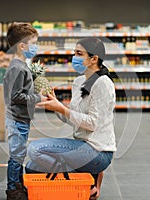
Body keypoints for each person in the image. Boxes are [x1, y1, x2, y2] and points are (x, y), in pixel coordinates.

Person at [25, 38, 117, 200]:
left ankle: (90, 177)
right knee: (32, 168)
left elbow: (92, 123)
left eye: (79, 53)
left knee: (35, 149)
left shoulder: (103, 83)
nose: (74, 57)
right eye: (74, 53)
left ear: (93, 59)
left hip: (97, 151)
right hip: (81, 145)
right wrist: (55, 105)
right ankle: (85, 178)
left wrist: (62, 109)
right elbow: (72, 118)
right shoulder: (79, 81)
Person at [4, 22, 47, 200]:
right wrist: (38, 99)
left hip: (21, 118)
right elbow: (16, 97)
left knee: (19, 153)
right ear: (22, 46)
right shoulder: (17, 67)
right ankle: (13, 190)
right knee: (16, 155)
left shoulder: (21, 66)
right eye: (34, 43)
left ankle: (19, 185)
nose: (36, 47)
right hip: (17, 119)